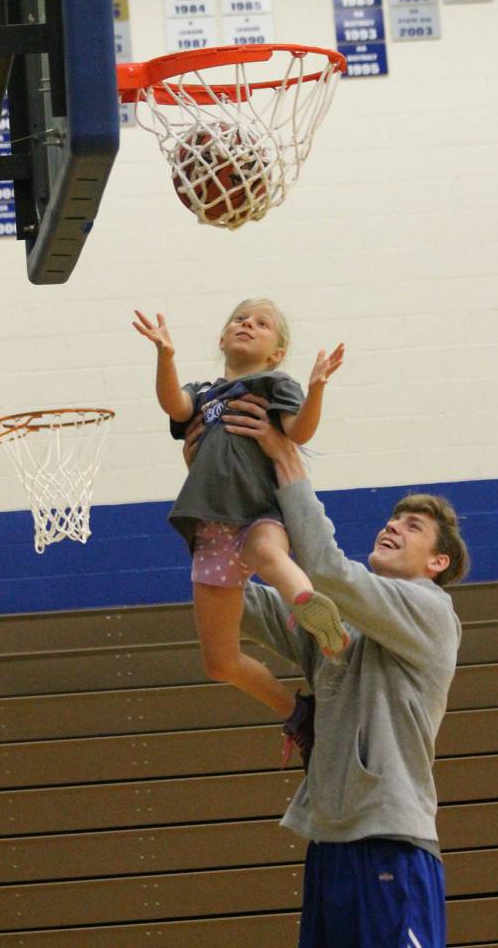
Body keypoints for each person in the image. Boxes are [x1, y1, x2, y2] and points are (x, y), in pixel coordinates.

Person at [185, 395, 470, 948]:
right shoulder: (341, 615)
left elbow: (328, 569)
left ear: (438, 563)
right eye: (392, 520)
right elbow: (242, 604)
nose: (393, 528)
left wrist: (286, 459)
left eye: (411, 527)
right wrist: (214, 498)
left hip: (390, 840)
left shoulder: (432, 610)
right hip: (330, 844)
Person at [133, 298, 348, 731]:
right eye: (240, 319)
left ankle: (312, 608)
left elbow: (299, 431)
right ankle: (295, 712)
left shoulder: (274, 383)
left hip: (258, 512)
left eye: (262, 323)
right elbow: (174, 406)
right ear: (222, 338)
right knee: (220, 662)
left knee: (270, 552)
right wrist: (165, 356)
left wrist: (318, 388)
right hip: (212, 529)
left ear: (277, 353)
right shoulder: (205, 394)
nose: (248, 323)